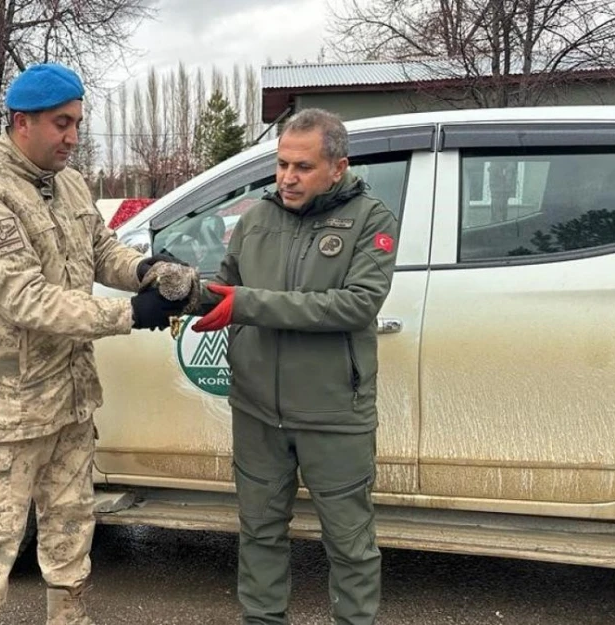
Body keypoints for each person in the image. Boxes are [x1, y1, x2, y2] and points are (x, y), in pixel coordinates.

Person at [0, 63, 190, 625]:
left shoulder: (69, 181)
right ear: (21, 122)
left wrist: (145, 269)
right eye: (61, 123)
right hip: (8, 409)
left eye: (77, 123)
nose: (73, 137)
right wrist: (130, 313)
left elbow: (102, 251)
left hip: (69, 398)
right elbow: (25, 298)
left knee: (72, 528)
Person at [191, 108, 399, 625]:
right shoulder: (257, 219)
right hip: (258, 410)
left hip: (332, 414)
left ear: (338, 167)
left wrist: (246, 304)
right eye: (282, 164)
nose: (287, 177)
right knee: (259, 534)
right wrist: (174, 289)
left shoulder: (370, 219)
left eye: (302, 167)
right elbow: (225, 286)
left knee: (350, 543)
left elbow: (356, 305)